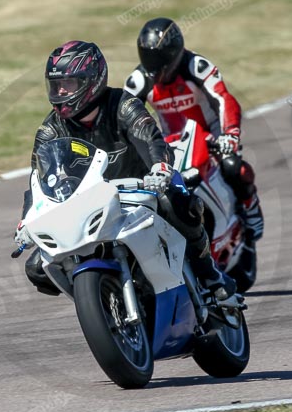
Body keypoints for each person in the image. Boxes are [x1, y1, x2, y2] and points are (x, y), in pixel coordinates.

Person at [15, 40, 235, 300]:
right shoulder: (50, 130)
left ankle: (210, 275)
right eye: (56, 85)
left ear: (92, 81)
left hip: (145, 187)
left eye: (68, 84)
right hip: (90, 203)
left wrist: (160, 168)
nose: (61, 92)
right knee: (38, 267)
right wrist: (26, 221)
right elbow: (37, 181)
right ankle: (103, 300)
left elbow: (151, 138)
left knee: (179, 203)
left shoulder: (123, 104)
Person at [124, 17, 264, 245]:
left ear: (174, 54)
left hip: (211, 138)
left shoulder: (196, 67)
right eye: (148, 59)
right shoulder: (139, 80)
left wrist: (230, 134)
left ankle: (251, 209)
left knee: (233, 167)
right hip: (170, 144)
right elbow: (125, 117)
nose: (155, 70)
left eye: (159, 61)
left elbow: (224, 99)